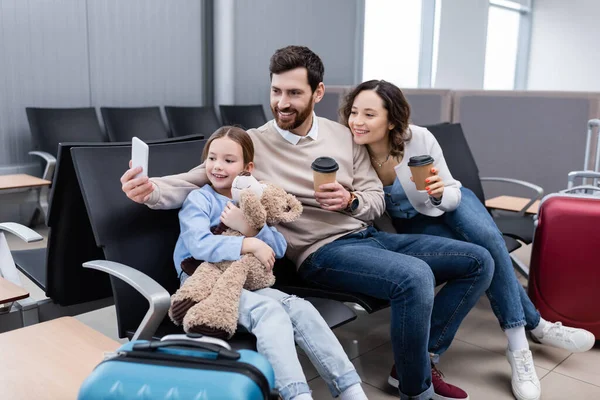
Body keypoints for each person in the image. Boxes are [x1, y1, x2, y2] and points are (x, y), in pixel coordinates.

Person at [121, 45, 495, 400]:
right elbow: (196, 178)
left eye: (294, 93)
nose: (282, 102)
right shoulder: (252, 144)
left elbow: (374, 199)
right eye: (276, 90)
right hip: (319, 252)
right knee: (415, 278)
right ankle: (416, 389)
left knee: (480, 261)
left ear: (318, 93)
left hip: (365, 234)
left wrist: (351, 201)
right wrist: (149, 190)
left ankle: (420, 359)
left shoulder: (343, 136)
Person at [339, 79, 597, 400]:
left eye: (369, 114)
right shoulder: (350, 150)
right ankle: (538, 326)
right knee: (479, 257)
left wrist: (435, 194)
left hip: (452, 201)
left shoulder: (419, 139)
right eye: (353, 112)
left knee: (489, 240)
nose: (357, 122)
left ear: (392, 120)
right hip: (412, 224)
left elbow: (449, 190)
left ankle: (518, 348)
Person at [172, 125, 368, 400]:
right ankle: (295, 395)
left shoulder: (252, 201)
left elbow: (277, 247)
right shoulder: (200, 199)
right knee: (270, 312)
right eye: (212, 158)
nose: (218, 166)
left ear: (247, 168)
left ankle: (350, 390)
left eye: (229, 161)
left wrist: (253, 230)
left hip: (246, 281)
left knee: (299, 307)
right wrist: (247, 243)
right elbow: (198, 245)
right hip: (206, 284)